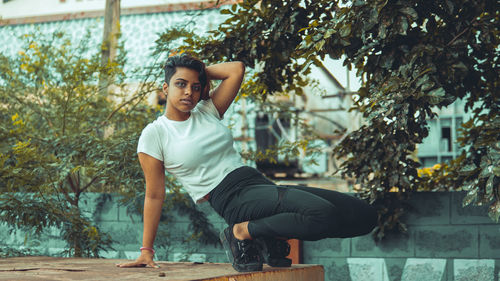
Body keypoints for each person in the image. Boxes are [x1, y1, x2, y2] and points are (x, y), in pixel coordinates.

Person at [116, 54, 378, 272]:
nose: (189, 92)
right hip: (231, 198)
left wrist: (200, 73)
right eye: (180, 84)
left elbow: (236, 69)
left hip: (256, 184)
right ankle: (242, 232)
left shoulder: (207, 111)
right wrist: (146, 250)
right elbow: (153, 195)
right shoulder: (155, 133)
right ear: (165, 88)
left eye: (196, 86)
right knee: (322, 214)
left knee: (363, 215)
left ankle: (265, 234)